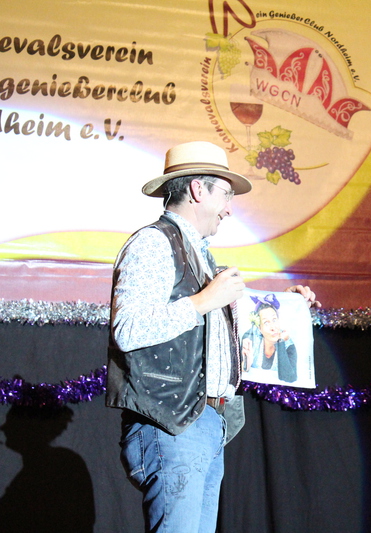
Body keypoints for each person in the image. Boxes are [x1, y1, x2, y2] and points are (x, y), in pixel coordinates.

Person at [106, 141, 320, 533]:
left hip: (203, 423)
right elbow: (128, 328)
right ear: (197, 190)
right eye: (226, 194)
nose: (229, 208)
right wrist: (204, 300)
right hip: (171, 423)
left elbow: (221, 333)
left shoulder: (201, 256)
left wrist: (287, 307)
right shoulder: (153, 243)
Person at [242, 293, 298, 383]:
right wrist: (246, 361)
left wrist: (280, 342)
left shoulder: (288, 345)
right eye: (266, 323)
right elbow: (242, 371)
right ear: (259, 328)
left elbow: (290, 378)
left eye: (274, 320)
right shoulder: (250, 338)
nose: (273, 327)